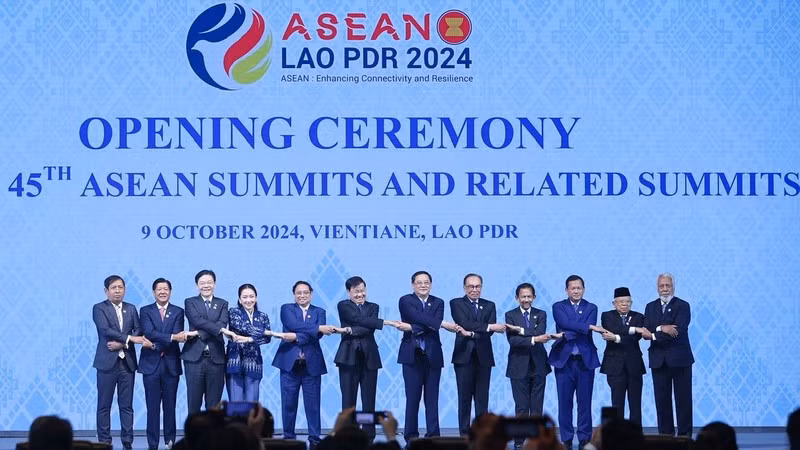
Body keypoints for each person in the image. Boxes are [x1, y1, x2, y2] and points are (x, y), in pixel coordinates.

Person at [334, 276, 405, 441]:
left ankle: (368, 436)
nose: (360, 294)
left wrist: (350, 330)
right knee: (348, 401)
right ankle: (348, 435)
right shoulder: (343, 305)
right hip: (348, 358)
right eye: (356, 291)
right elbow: (358, 319)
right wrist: (384, 322)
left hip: (369, 358)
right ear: (348, 292)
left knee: (368, 401)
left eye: (362, 290)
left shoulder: (374, 306)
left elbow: (369, 329)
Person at [272, 281, 336, 448]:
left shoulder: (319, 312)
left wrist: (297, 336)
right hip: (289, 365)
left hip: (311, 365)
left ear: (311, 294)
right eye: (298, 293)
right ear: (294, 294)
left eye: (305, 292)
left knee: (313, 406)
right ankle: (288, 439)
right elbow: (292, 325)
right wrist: (318, 328)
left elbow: (317, 336)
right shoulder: (287, 309)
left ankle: (314, 439)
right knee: (288, 404)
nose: (302, 295)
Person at [397, 271, 458, 442]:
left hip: (433, 355)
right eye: (419, 282)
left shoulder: (438, 302)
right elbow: (416, 317)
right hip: (411, 355)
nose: (423, 285)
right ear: (413, 285)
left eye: (426, 282)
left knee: (432, 398)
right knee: (413, 398)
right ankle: (411, 436)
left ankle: (433, 435)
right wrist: (441, 323)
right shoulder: (405, 300)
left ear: (431, 284)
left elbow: (429, 326)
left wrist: (412, 328)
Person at [92, 275, 149, 450]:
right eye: (113, 287)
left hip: (127, 364)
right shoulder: (99, 308)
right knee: (104, 405)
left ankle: (127, 443)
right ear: (106, 291)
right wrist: (130, 338)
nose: (117, 290)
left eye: (120, 287)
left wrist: (123, 342)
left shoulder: (131, 308)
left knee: (127, 406)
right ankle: (104, 442)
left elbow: (138, 329)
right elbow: (105, 330)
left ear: (124, 289)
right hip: (106, 363)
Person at [548, 275, 603, 449]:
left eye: (579, 288)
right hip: (564, 361)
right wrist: (585, 327)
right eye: (573, 288)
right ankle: (566, 438)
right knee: (565, 403)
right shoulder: (558, 306)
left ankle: (585, 437)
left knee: (584, 402)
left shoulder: (592, 307)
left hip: (585, 361)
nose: (576, 291)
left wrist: (567, 332)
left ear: (583, 289)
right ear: (567, 290)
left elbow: (581, 328)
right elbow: (563, 322)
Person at [450, 273, 507, 436]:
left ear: (481, 287)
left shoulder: (489, 305)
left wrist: (473, 334)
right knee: (464, 398)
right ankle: (465, 434)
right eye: (471, 286)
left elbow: (487, 333)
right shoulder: (456, 303)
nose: (474, 290)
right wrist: (489, 327)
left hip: (484, 357)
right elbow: (464, 323)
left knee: (482, 398)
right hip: (463, 357)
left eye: (477, 286)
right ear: (464, 288)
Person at [140, 277, 192, 450]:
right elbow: (149, 332)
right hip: (150, 365)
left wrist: (157, 342)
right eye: (159, 289)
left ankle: (170, 441)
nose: (162, 292)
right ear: (154, 292)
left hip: (171, 364)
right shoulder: (145, 310)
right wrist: (168, 338)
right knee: (152, 407)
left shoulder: (178, 311)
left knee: (170, 406)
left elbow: (177, 334)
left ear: (170, 291)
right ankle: (152, 444)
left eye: (166, 289)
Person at [643, 273, 694, 437]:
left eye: (668, 285)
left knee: (683, 400)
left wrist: (653, 334)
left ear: (673, 286)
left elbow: (678, 331)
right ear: (657, 287)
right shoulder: (650, 307)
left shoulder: (683, 306)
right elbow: (646, 327)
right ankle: (665, 437)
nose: (664, 289)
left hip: (680, 360)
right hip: (658, 360)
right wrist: (661, 328)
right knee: (661, 401)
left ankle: (684, 437)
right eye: (661, 286)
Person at [505, 282, 554, 450]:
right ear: (517, 298)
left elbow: (541, 332)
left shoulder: (541, 314)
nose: (526, 299)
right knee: (521, 407)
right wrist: (534, 338)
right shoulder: (509, 315)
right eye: (523, 296)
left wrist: (520, 330)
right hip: (518, 366)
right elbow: (513, 341)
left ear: (534, 297)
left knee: (537, 406)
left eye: (529, 296)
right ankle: (519, 441)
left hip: (539, 365)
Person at [226, 283, 288, 402]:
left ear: (256, 297)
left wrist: (249, 339)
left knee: (252, 405)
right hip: (234, 360)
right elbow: (243, 327)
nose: (248, 300)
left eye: (251, 296)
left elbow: (266, 339)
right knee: (236, 404)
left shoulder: (263, 316)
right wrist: (271, 333)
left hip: (254, 362)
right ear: (239, 299)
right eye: (245, 297)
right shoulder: (233, 312)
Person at [182, 269, 230, 413]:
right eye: (202, 283)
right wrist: (215, 329)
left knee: (214, 404)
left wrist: (197, 332)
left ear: (214, 284)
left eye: (209, 282)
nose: (206, 285)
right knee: (194, 402)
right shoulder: (190, 302)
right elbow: (196, 320)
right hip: (194, 359)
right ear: (197, 285)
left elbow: (222, 323)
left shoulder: (223, 303)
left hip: (216, 359)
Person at [598, 287, 647, 427]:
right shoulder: (607, 316)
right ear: (614, 303)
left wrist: (616, 337)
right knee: (616, 404)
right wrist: (632, 329)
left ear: (631, 303)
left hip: (634, 365)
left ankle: (636, 437)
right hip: (614, 366)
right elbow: (610, 327)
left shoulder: (638, 317)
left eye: (628, 302)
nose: (625, 304)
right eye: (621, 302)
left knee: (635, 404)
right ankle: (616, 436)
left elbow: (635, 338)